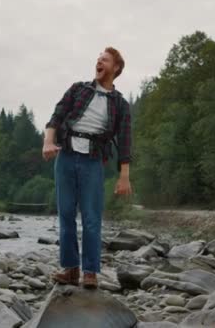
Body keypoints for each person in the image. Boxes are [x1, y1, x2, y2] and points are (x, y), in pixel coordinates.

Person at [42, 46, 132, 289]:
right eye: (98, 59)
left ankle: (90, 272)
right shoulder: (78, 89)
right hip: (67, 156)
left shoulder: (120, 104)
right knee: (66, 215)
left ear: (116, 68)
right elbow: (57, 116)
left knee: (92, 219)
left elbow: (124, 140)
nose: (99, 62)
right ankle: (71, 270)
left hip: (93, 160)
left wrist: (124, 177)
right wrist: (48, 142)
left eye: (104, 60)